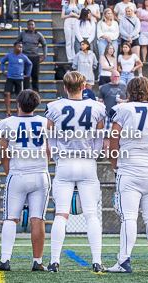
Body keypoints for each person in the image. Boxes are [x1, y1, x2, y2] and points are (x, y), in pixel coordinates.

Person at [104, 75, 148, 273]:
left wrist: (115, 164)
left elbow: (113, 139)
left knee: (129, 217)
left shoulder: (123, 110)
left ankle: (124, 261)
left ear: (130, 91)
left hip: (131, 168)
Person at [46, 72, 107, 273]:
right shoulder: (97, 108)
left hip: (64, 162)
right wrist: (93, 155)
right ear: (83, 87)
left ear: (64, 87)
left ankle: (54, 261)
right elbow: (99, 137)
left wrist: (57, 156)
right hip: (87, 162)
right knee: (91, 214)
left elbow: (50, 137)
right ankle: (97, 261)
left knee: (61, 214)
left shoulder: (54, 107)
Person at [0, 89, 50, 272]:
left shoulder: (7, 123)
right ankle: (37, 261)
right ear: (36, 105)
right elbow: (48, 151)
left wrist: (11, 173)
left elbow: (3, 153)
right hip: (40, 174)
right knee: (38, 218)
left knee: (10, 218)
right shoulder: (45, 123)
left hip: (17, 173)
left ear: (17, 104)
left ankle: (5, 259)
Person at [0, 42, 32, 116]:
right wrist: (3, 70)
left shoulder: (23, 57)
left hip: (19, 78)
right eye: (19, 47)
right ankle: (8, 111)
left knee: (19, 96)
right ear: (15, 47)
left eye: (21, 47)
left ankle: (19, 112)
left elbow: (30, 64)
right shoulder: (9, 55)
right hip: (10, 77)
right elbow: (2, 61)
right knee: (6, 93)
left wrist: (27, 74)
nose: (20, 49)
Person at [15, 20, 46, 91]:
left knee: (35, 76)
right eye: (29, 25)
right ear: (27, 26)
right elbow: (16, 43)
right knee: (26, 76)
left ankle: (35, 93)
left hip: (35, 57)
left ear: (34, 26)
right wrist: (18, 53)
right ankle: (26, 92)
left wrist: (44, 55)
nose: (30, 26)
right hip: (25, 57)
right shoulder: (23, 34)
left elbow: (44, 44)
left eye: (32, 25)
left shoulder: (38, 35)